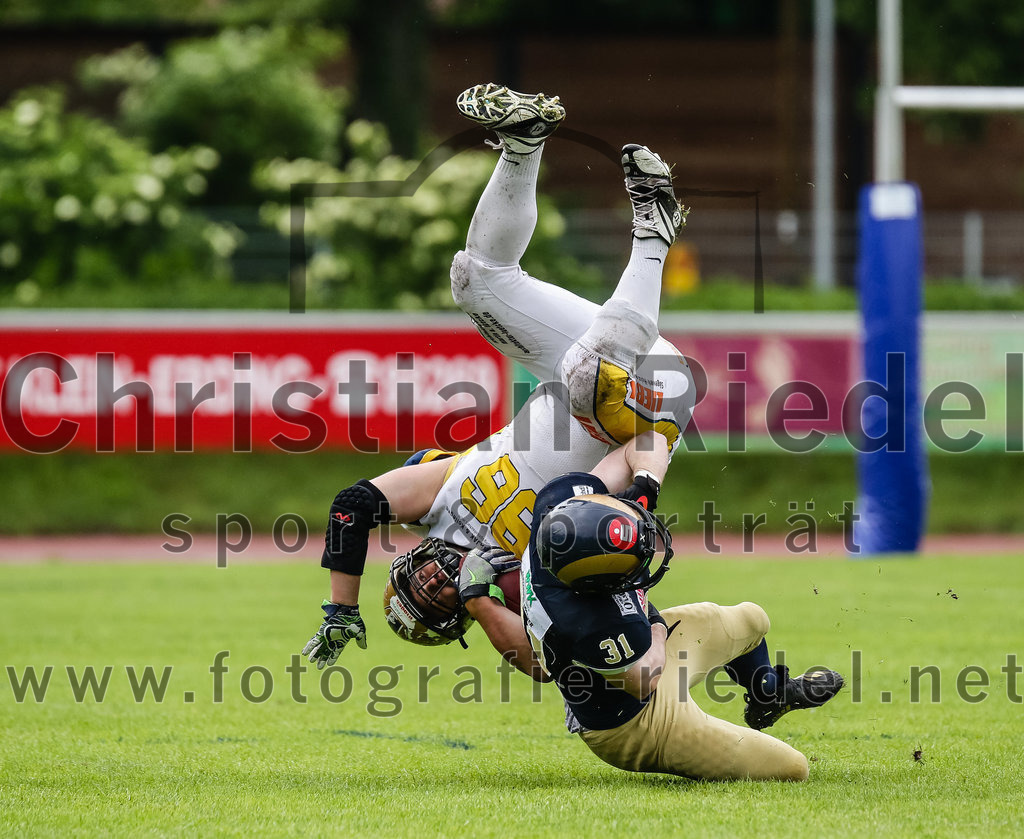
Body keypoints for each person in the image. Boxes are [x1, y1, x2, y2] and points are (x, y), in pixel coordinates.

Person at [301, 83, 697, 669]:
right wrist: (480, 597)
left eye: (420, 586)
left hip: (576, 373)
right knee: (593, 374)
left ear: (407, 564)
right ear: (459, 615)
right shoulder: (519, 587)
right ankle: (653, 231)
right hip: (650, 406)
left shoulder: (432, 502)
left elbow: (351, 505)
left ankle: (522, 142)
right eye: (438, 604)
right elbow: (544, 663)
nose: (435, 584)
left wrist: (340, 609)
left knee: (474, 279)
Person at [458, 429, 845, 781]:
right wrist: (657, 627)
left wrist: (646, 483)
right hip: (635, 719)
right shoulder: (584, 621)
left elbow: (647, 440)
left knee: (751, 619)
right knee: (793, 768)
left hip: (637, 652)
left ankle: (768, 695)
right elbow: (643, 679)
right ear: (602, 585)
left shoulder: (559, 506)